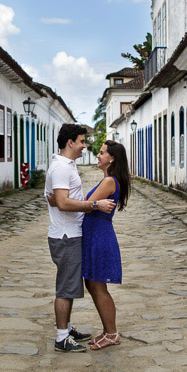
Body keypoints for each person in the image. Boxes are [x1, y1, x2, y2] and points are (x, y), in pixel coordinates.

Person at [51, 140, 130, 350]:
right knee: (94, 284)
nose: (98, 155)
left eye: (102, 153)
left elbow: (86, 205)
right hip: (96, 233)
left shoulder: (109, 182)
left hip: (99, 235)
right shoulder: (109, 180)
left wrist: (65, 200)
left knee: (97, 286)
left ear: (112, 158)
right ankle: (107, 331)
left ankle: (112, 333)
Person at [44, 123, 116, 353]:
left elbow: (57, 198)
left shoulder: (67, 166)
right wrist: (95, 204)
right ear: (70, 143)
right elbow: (63, 203)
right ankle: (62, 337)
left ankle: (68, 327)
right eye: (82, 141)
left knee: (71, 283)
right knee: (66, 287)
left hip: (71, 234)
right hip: (66, 236)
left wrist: (57, 200)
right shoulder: (62, 169)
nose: (85, 146)